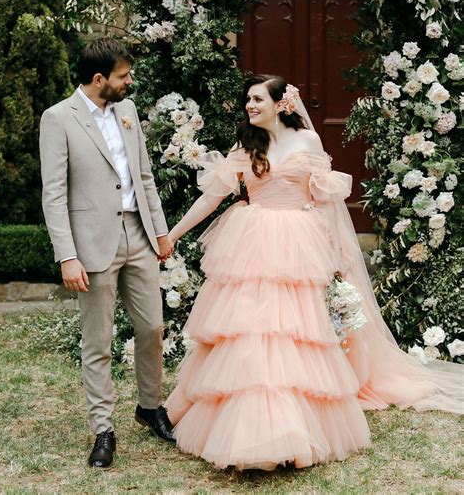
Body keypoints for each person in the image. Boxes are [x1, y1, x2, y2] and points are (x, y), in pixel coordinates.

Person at [164, 74, 463, 471]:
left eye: (257, 99)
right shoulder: (246, 146)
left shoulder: (307, 142)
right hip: (250, 242)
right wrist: (173, 234)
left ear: (279, 104)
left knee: (293, 332)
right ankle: (249, 426)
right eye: (247, 100)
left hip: (297, 246)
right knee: (249, 329)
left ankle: (293, 425)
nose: (250, 106)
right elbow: (211, 198)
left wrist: (334, 256)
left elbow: (324, 202)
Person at [39, 38, 176, 469]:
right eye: (122, 77)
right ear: (99, 80)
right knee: (98, 341)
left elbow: (145, 176)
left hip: (138, 235)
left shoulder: (128, 112)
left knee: (152, 327)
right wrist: (67, 255)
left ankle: (150, 407)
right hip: (92, 243)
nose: (128, 83)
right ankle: (103, 429)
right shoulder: (58, 119)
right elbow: (54, 193)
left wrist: (161, 231)